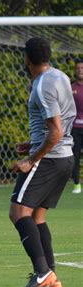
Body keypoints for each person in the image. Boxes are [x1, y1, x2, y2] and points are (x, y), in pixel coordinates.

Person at [9, 38, 75, 287]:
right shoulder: (60, 76)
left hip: (49, 159)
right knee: (37, 217)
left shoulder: (42, 86)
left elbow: (56, 131)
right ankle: (51, 278)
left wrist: (31, 159)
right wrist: (33, 143)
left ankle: (42, 272)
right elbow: (60, 123)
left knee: (18, 212)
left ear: (27, 59)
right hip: (64, 157)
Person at [71, 60, 83, 194]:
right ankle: (76, 184)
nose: (80, 70)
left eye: (82, 68)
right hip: (75, 129)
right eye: (78, 68)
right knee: (75, 156)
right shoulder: (71, 88)